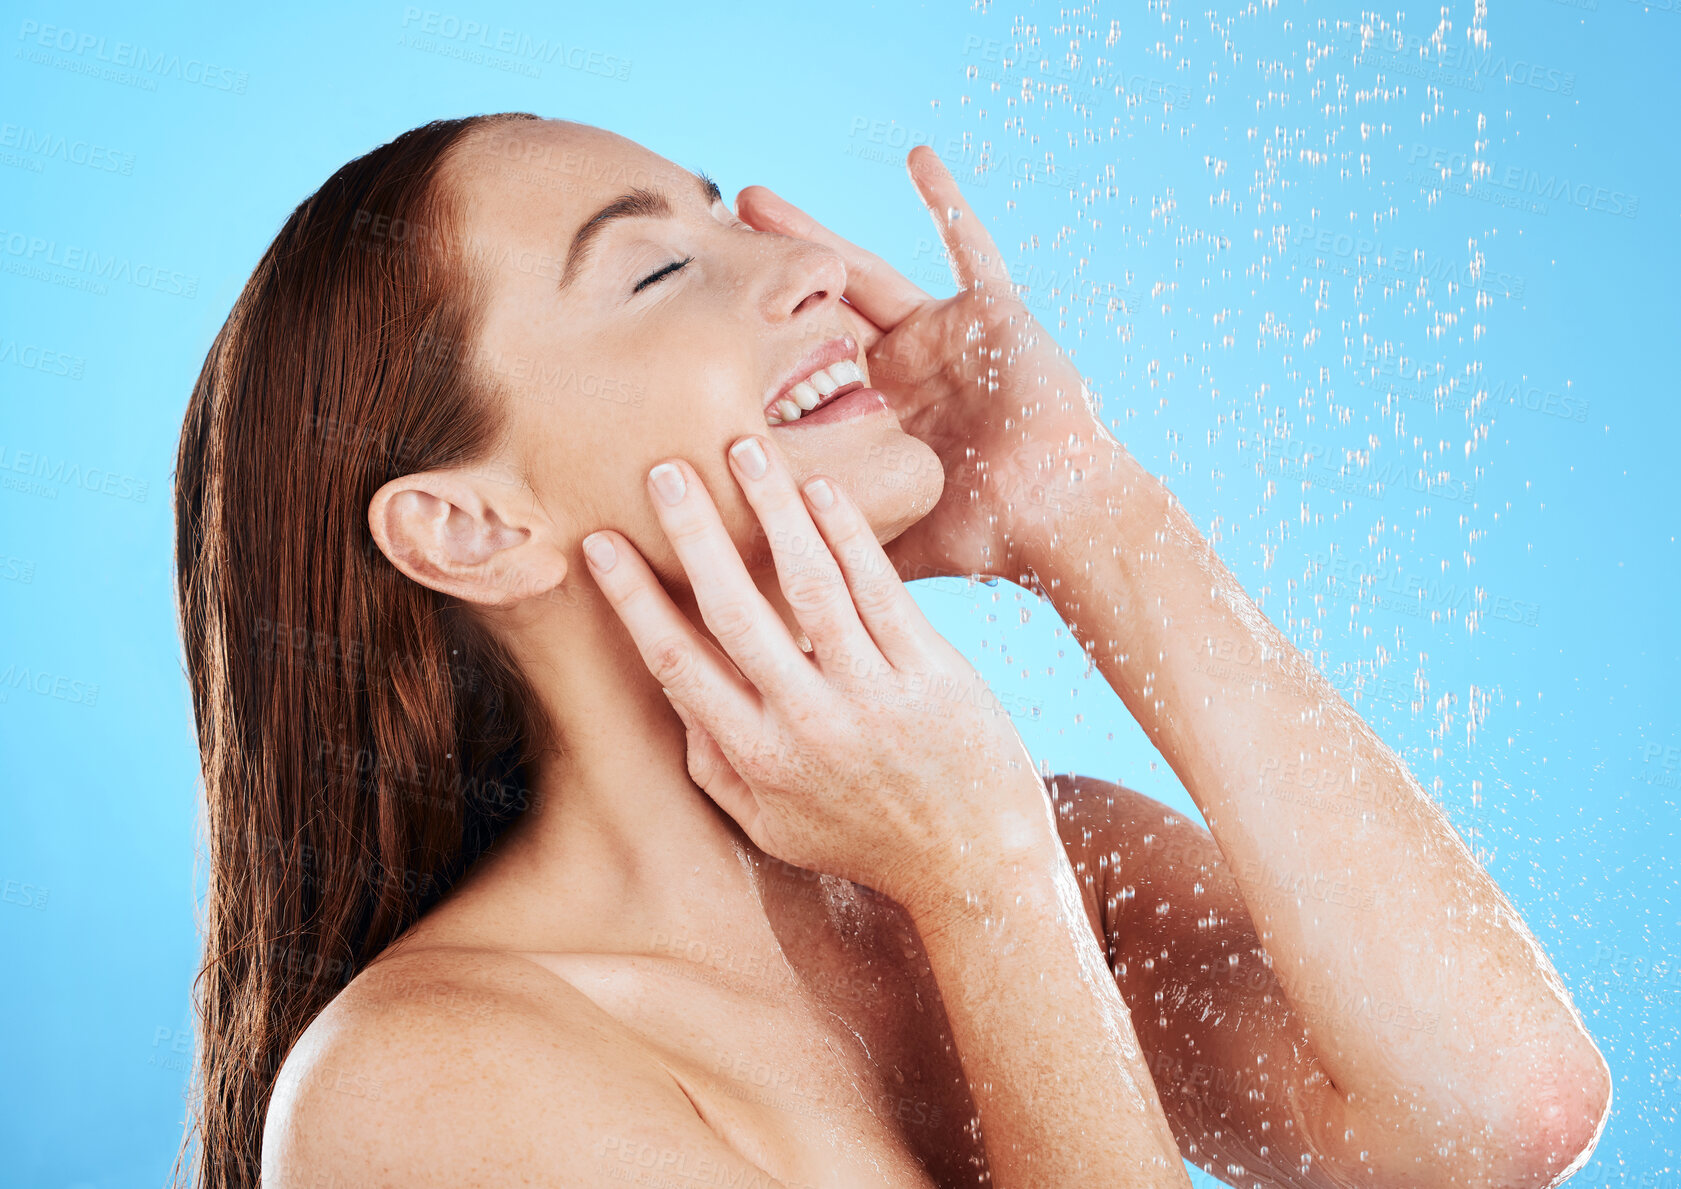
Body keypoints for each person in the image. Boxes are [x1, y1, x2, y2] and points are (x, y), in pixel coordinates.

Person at [173, 112, 1610, 1189]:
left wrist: (1085, 507)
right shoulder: (419, 1084)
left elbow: (1497, 1113)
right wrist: (984, 887)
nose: (804, 259)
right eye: (659, 265)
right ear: (470, 528)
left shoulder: (1035, 860)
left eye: (725, 216)